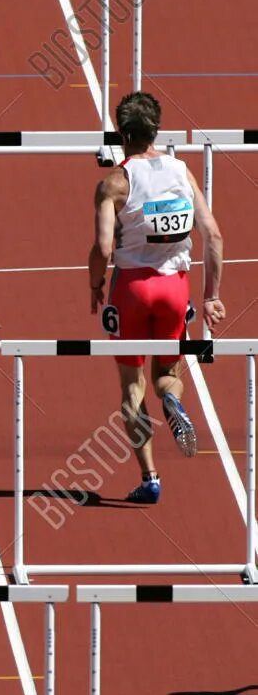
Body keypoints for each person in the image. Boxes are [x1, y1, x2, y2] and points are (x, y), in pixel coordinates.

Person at [90, 91, 223, 504]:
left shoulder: (113, 183)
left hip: (131, 288)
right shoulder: (182, 172)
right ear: (157, 130)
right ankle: (172, 399)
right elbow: (214, 237)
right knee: (168, 372)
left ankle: (150, 478)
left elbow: (104, 249)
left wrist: (95, 283)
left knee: (132, 386)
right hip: (174, 288)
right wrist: (211, 296)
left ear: (120, 133)